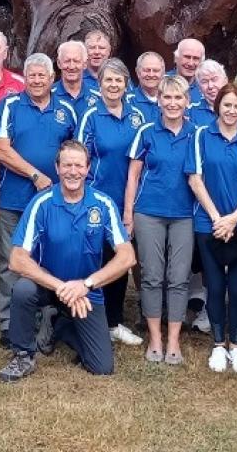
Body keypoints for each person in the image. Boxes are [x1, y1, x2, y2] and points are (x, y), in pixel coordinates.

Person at [0, 141, 136, 382]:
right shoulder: (41, 203)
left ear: (88, 168)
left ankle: (60, 325)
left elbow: (127, 256)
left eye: (79, 165)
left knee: (101, 366)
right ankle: (22, 354)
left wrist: (87, 285)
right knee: (22, 289)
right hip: (48, 285)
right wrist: (61, 287)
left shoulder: (102, 204)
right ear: (57, 168)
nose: (73, 171)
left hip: (85, 290)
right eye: (67, 165)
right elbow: (17, 260)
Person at [0, 53, 78, 346]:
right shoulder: (10, 106)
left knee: (47, 260)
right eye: (32, 75)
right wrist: (35, 175)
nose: (37, 80)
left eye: (43, 75)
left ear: (52, 78)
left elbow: (74, 152)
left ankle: (44, 319)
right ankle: (9, 322)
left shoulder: (66, 109)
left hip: (53, 203)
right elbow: (1, 150)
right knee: (11, 261)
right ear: (24, 78)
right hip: (15, 199)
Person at [186, 83, 237, 373]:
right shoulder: (201, 136)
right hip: (208, 224)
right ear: (217, 106)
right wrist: (217, 217)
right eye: (227, 105)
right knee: (215, 285)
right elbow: (195, 179)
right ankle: (219, 344)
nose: (232, 111)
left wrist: (235, 216)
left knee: (236, 287)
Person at [125, 75, 196, 364]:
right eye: (167, 97)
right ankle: (155, 338)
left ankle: (174, 341)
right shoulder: (146, 131)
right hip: (148, 213)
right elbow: (133, 175)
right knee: (152, 277)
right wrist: (128, 214)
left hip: (184, 215)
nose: (172, 103)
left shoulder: (197, 133)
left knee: (178, 279)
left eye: (178, 98)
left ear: (187, 101)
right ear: (159, 101)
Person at [77, 58, 146, 346]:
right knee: (94, 259)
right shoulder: (91, 116)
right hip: (96, 200)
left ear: (126, 85)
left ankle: (115, 322)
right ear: (100, 84)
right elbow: (80, 159)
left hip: (127, 200)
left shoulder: (137, 117)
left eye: (119, 80)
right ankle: (89, 319)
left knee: (120, 261)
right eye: (108, 80)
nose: (114, 85)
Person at [52, 40, 100, 118]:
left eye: (76, 61)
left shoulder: (99, 97)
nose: (71, 66)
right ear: (59, 63)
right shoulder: (47, 96)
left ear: (85, 64)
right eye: (67, 61)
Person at [127, 51, 165, 125]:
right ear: (137, 72)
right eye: (146, 70)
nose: (151, 74)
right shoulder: (127, 101)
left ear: (163, 73)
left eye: (156, 70)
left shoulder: (171, 100)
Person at [169, 38, 205, 103]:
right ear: (176, 58)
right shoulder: (161, 83)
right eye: (187, 57)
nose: (191, 63)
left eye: (196, 58)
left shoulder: (206, 87)